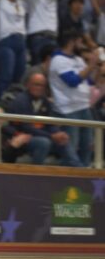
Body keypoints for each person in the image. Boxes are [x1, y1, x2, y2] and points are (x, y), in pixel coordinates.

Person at [7, 72, 84, 167]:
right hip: (23, 136)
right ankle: (36, 173)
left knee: (63, 140)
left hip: (43, 135)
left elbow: (50, 123)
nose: (39, 88)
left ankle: (79, 169)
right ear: (28, 85)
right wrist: (51, 136)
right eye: (36, 84)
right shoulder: (21, 101)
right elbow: (26, 127)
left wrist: (57, 133)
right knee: (44, 142)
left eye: (42, 86)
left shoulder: (45, 101)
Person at [49, 29, 97, 166]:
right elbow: (73, 81)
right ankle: (73, 181)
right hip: (69, 110)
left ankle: (85, 179)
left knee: (87, 146)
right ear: (72, 41)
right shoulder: (58, 60)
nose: (81, 44)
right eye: (80, 41)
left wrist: (96, 68)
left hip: (84, 106)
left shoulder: (78, 59)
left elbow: (89, 82)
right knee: (71, 150)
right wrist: (91, 65)